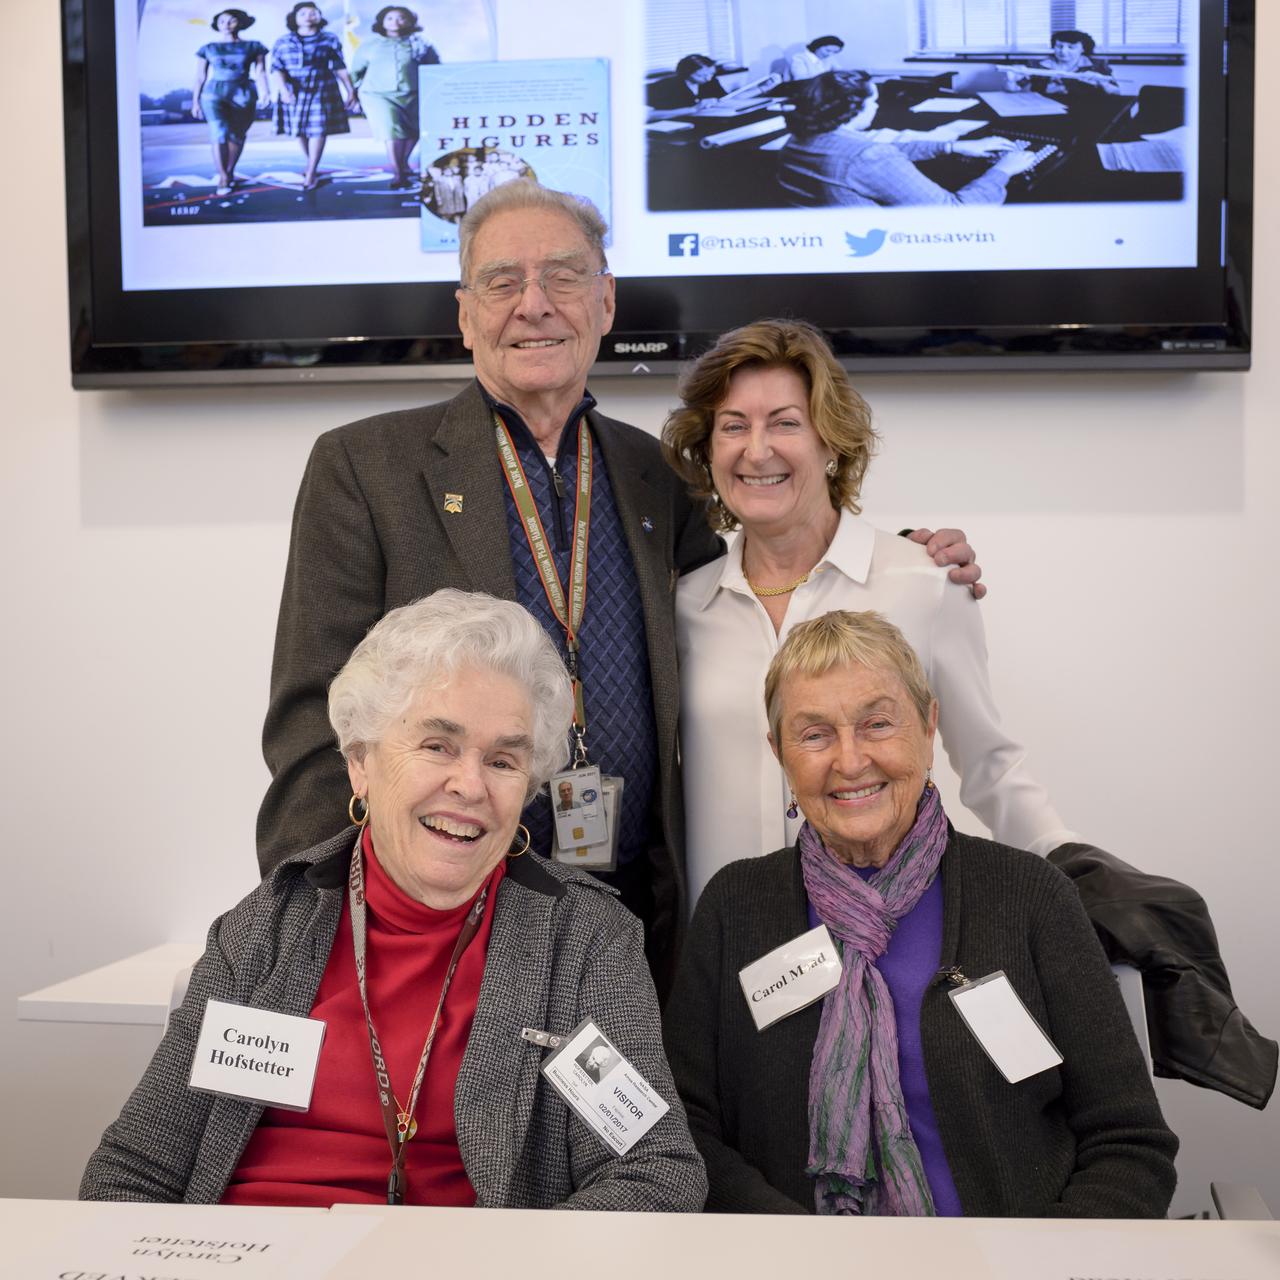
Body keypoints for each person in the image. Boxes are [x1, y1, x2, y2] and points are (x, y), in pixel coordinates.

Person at [259, 183, 977, 992]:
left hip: (638, 918)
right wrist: (318, 924)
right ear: (465, 314)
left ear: (605, 302)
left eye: (564, 277)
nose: (534, 305)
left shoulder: (653, 474)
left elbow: (761, 583)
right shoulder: (364, 469)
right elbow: (311, 724)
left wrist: (897, 555)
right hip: (445, 911)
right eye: (502, 282)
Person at [81, 591, 706, 1210]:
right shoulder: (265, 929)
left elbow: (655, 1171)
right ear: (360, 764)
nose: (469, 785)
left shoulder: (583, 940)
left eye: (503, 760)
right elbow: (134, 1170)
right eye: (438, 745)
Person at [663, 609, 1178, 1216]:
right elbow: (686, 1127)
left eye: (878, 724)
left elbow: (1128, 1141)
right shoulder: (735, 908)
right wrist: (798, 1252)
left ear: (929, 728)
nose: (850, 761)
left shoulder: (1029, 896)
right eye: (815, 734)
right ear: (780, 753)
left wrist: (1039, 1262)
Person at [663, 320, 1073, 905]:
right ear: (708, 451)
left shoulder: (925, 584)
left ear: (830, 441)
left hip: (893, 935)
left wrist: (1076, 872)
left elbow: (990, 765)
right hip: (729, 946)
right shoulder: (682, 608)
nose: (757, 451)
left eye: (785, 422)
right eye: (733, 427)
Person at [779, 71, 1040, 207]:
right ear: (854, 107)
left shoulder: (798, 139)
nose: (877, 107)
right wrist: (1002, 170)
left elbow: (877, 151)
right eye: (875, 101)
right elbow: (956, 215)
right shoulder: (868, 157)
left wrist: (951, 146)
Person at [350, 6, 440, 189]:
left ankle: (403, 162)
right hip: (378, 95)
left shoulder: (421, 42)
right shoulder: (370, 44)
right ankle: (398, 173)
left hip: (415, 93)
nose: (395, 22)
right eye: (390, 18)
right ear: (382, 22)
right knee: (392, 132)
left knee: (414, 131)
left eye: (401, 18)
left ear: (410, 21)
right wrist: (353, 93)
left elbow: (435, 67)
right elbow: (356, 71)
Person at [270, 2, 356, 190]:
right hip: (294, 90)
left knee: (318, 129)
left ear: (319, 16)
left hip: (322, 88)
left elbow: (339, 66)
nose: (308, 16)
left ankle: (310, 171)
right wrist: (284, 90)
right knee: (299, 129)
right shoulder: (283, 41)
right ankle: (311, 163)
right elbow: (277, 68)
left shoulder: (329, 39)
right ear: (294, 18)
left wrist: (350, 90)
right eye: (303, 13)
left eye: (313, 13)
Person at [191, 10, 269, 195]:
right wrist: (195, 101)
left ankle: (230, 171)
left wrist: (265, 90)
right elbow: (200, 76)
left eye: (231, 20)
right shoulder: (208, 48)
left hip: (243, 93)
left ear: (240, 23)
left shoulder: (254, 46)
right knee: (219, 132)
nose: (226, 24)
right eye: (222, 21)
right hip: (214, 94)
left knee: (237, 135)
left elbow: (261, 72)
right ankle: (223, 177)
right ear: (217, 24)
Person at [1005, 30, 1121, 100]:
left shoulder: (1097, 66)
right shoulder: (1037, 65)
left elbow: (1116, 94)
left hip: (1086, 114)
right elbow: (1013, 90)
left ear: (1083, 49)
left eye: (1071, 47)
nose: (1063, 51)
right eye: (1059, 46)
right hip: (1046, 112)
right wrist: (1011, 79)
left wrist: (1102, 82)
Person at [647, 55, 727, 113]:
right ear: (686, 73)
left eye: (711, 73)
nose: (708, 78)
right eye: (700, 75)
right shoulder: (666, 86)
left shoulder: (711, 81)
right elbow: (650, 115)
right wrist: (694, 109)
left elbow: (723, 98)